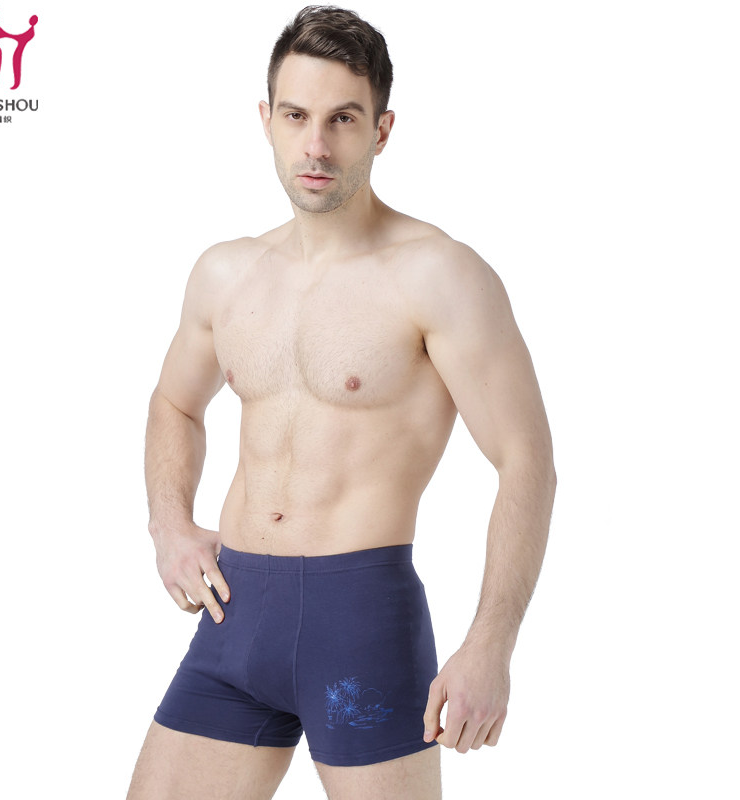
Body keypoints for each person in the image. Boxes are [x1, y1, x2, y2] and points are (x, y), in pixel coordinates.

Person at [127, 5, 556, 799]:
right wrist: (169, 524)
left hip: (360, 625)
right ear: (266, 120)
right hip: (232, 620)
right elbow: (173, 404)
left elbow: (526, 460)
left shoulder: (440, 275)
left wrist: (492, 644)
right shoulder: (226, 273)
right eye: (296, 116)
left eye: (343, 119)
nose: (316, 146)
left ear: (382, 130)